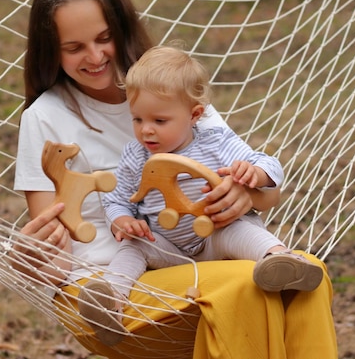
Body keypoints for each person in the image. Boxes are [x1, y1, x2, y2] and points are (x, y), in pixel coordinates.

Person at [13, 0, 338, 359]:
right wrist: (29, 258)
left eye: (104, 38)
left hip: (199, 253)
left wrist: (244, 194)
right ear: (52, 49)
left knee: (308, 275)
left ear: (121, 28)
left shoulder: (168, 86)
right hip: (109, 288)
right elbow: (51, 246)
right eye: (74, 47)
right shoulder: (44, 118)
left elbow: (266, 194)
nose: (95, 56)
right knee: (245, 287)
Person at [78, 45, 324, 345]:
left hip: (214, 236)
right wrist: (122, 221)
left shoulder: (216, 143)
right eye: (137, 120)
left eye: (159, 121)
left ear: (194, 115)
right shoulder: (135, 156)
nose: (146, 131)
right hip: (166, 247)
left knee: (239, 226)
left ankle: (280, 262)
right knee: (133, 245)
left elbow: (268, 164)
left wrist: (253, 175)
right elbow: (115, 199)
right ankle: (111, 304)